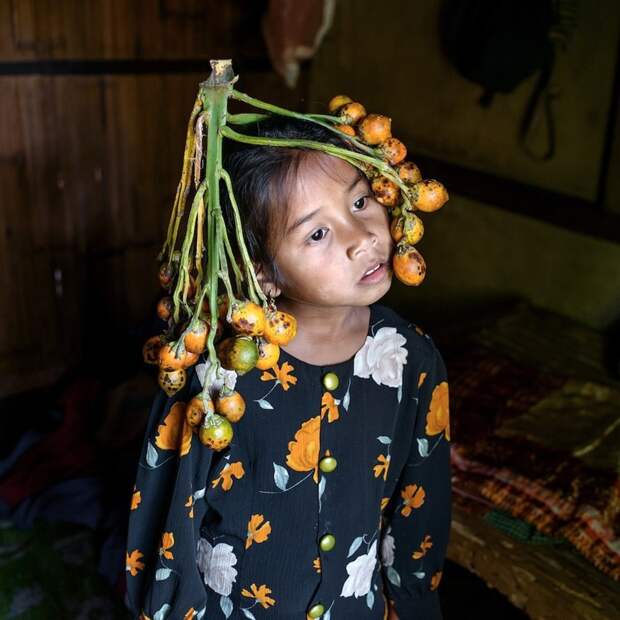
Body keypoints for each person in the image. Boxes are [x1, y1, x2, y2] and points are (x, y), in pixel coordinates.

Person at [125, 116, 452, 619]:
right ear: (264, 275)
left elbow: (420, 506)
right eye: (318, 232)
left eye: (360, 202)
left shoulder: (412, 360)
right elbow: (168, 522)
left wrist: (412, 605)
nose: (361, 237)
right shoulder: (218, 375)